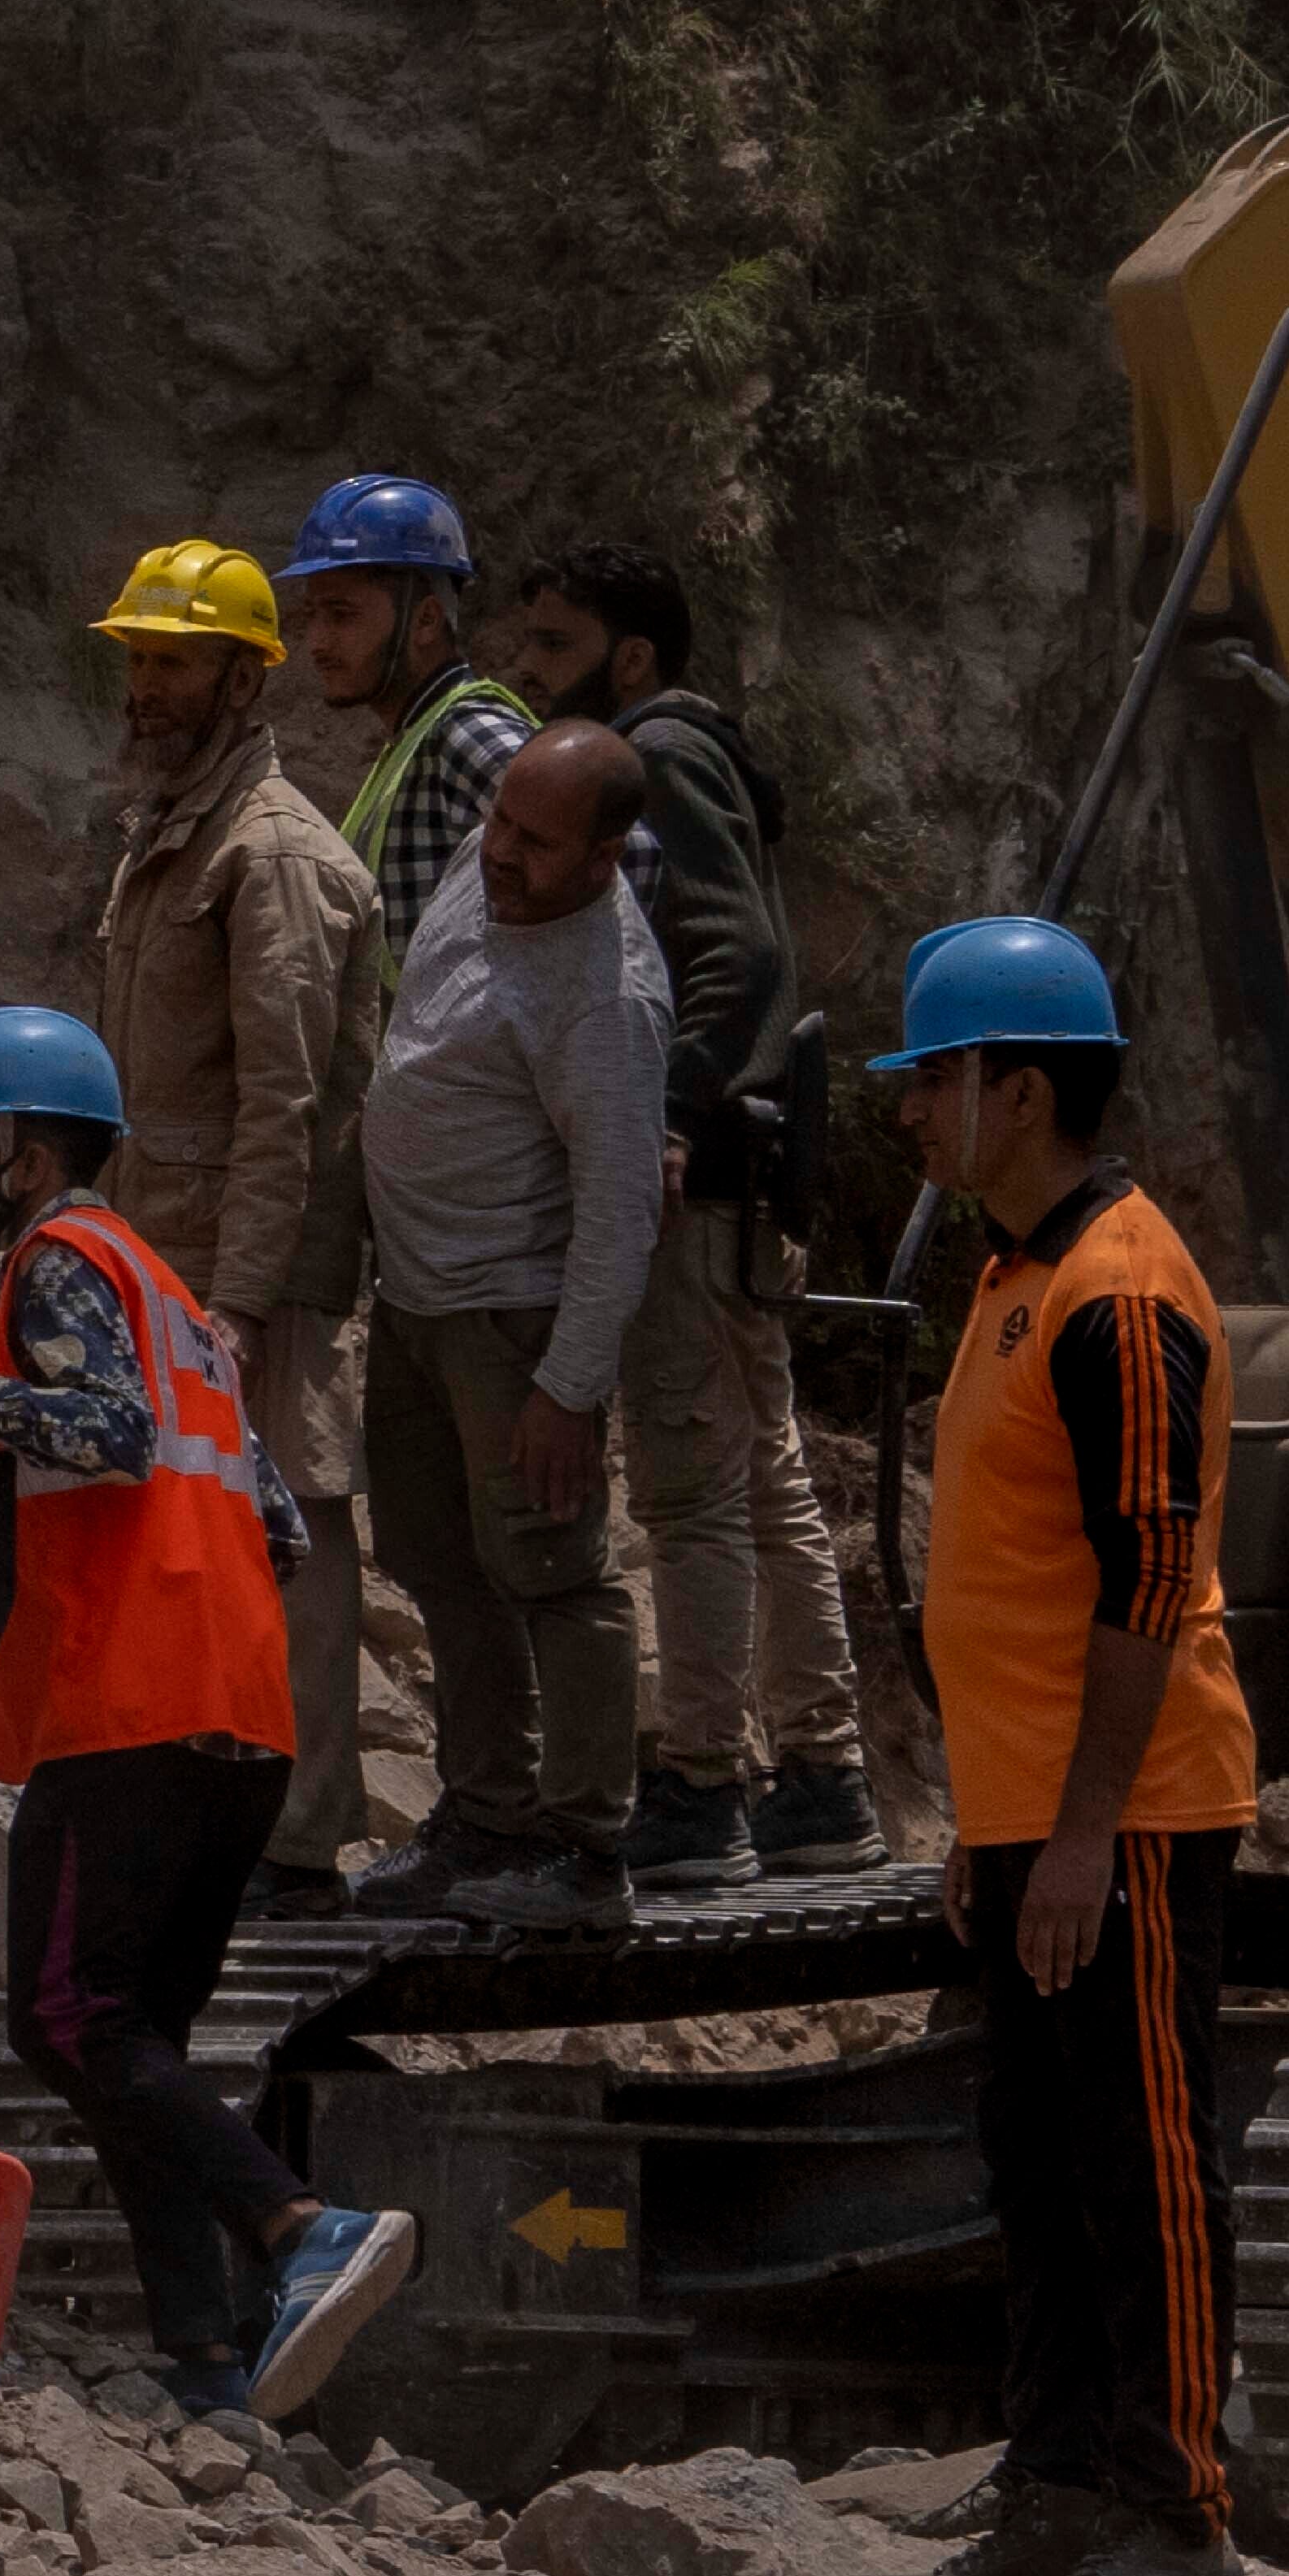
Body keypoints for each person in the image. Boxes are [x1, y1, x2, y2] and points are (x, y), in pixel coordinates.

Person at [0, 1009, 418, 2418]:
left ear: (26, 1157)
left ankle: (296, 2229)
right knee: (128, 2034)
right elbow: (267, 1520)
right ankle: (203, 2356)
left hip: (135, 1705)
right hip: (241, 1719)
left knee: (66, 2018)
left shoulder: (66, 1264)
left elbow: (109, 1434)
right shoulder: (176, 1302)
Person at [863, 923, 1269, 2576]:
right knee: (1035, 2155)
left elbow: (1148, 1579)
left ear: (1019, 1086)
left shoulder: (1119, 1293)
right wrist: (995, 1827)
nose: (914, 1120)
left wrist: (1088, 1831)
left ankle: (1175, 2516)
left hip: (1139, 1814)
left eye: (934, 1084)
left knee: (1143, 2156)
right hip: (1041, 1816)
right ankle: (1056, 2489)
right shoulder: (1019, 1275)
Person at [497, 539, 874, 1885]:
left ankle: (705, 1784)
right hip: (734, 1179)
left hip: (699, 1180)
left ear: (631, 654)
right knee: (763, 1484)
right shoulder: (674, 747)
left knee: (693, 1493)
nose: (526, 671)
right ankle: (822, 1776)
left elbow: (740, 952)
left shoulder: (660, 749)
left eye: (551, 646)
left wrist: (663, 1112)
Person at [80, 536, 385, 1918]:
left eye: (176, 660)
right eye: (138, 657)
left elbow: (290, 1103)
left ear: (243, 678)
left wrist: (247, 1299)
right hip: (167, 1243)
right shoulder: (169, 831)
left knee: (295, 1521)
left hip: (252, 1256)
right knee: (194, 1528)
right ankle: (212, 1806)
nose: (147, 685)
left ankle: (305, 1835)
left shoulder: (275, 856)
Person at [351, 724, 687, 1932]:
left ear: (608, 857)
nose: (499, 852)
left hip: (512, 1316)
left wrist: (568, 1385)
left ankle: (589, 1850)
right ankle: (487, 1811)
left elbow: (621, 1206)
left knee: (555, 1573)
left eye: (535, 841)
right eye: (499, 821)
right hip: (416, 1297)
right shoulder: (481, 869)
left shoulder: (609, 998)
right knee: (441, 1559)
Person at [277, 472, 539, 956]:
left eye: (342, 614)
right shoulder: (419, 735)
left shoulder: (467, 732)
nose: (316, 642)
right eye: (312, 615)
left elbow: (625, 854)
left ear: (425, 620)